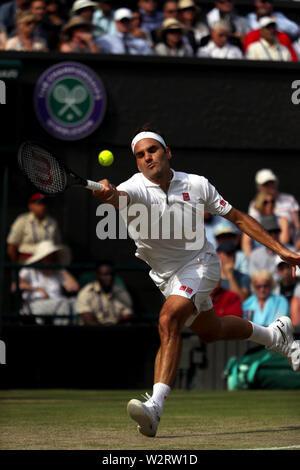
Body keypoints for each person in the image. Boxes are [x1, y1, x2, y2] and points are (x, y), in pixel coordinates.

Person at [92, 124, 300, 438]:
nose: (148, 158)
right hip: (165, 276)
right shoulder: (132, 188)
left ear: (167, 152)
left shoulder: (197, 184)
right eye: (140, 155)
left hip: (200, 264)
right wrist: (107, 193)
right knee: (210, 331)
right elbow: (116, 196)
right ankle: (275, 336)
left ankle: (155, 407)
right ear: (137, 162)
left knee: (168, 318)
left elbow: (238, 218)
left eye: (153, 150)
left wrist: (281, 250)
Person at [18, 240, 79, 324]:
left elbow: (74, 287)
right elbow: (16, 285)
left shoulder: (57, 272)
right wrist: (37, 289)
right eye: (49, 258)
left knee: (75, 303)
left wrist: (61, 269)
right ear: (41, 259)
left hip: (57, 304)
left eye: (53, 258)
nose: (51, 260)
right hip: (35, 305)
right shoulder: (29, 270)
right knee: (63, 303)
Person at [7, 193, 61, 263]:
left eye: (44, 203)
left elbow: (57, 245)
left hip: (46, 263)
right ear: (30, 206)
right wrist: (18, 265)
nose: (42, 206)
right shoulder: (22, 220)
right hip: (27, 260)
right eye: (39, 203)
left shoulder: (52, 222)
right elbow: (12, 246)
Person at [248, 168, 300, 242]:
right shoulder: (254, 204)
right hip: (262, 244)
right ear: (259, 187)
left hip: (289, 244)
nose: (270, 186)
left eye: (271, 182)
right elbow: (251, 229)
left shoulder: (289, 200)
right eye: (266, 184)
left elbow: (297, 226)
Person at [77, 261, 133, 325]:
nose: (109, 277)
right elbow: (88, 321)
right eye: (105, 274)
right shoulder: (86, 293)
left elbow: (127, 319)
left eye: (111, 274)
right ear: (97, 276)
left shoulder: (122, 292)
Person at [242, 190, 290, 258]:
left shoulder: (282, 220)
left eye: (272, 201)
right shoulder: (251, 222)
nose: (270, 205)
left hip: (279, 257)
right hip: (258, 257)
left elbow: (284, 241)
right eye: (265, 202)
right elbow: (246, 244)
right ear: (259, 203)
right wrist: (254, 261)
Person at [248, 214, 292, 281]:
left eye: (276, 231)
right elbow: (254, 278)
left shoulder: (290, 252)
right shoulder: (255, 255)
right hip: (264, 289)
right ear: (263, 234)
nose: (273, 235)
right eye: (270, 232)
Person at [273, 255, 300, 327]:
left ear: (293, 268)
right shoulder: (274, 289)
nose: (286, 271)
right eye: (282, 268)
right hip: (281, 326)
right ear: (278, 271)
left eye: (288, 267)